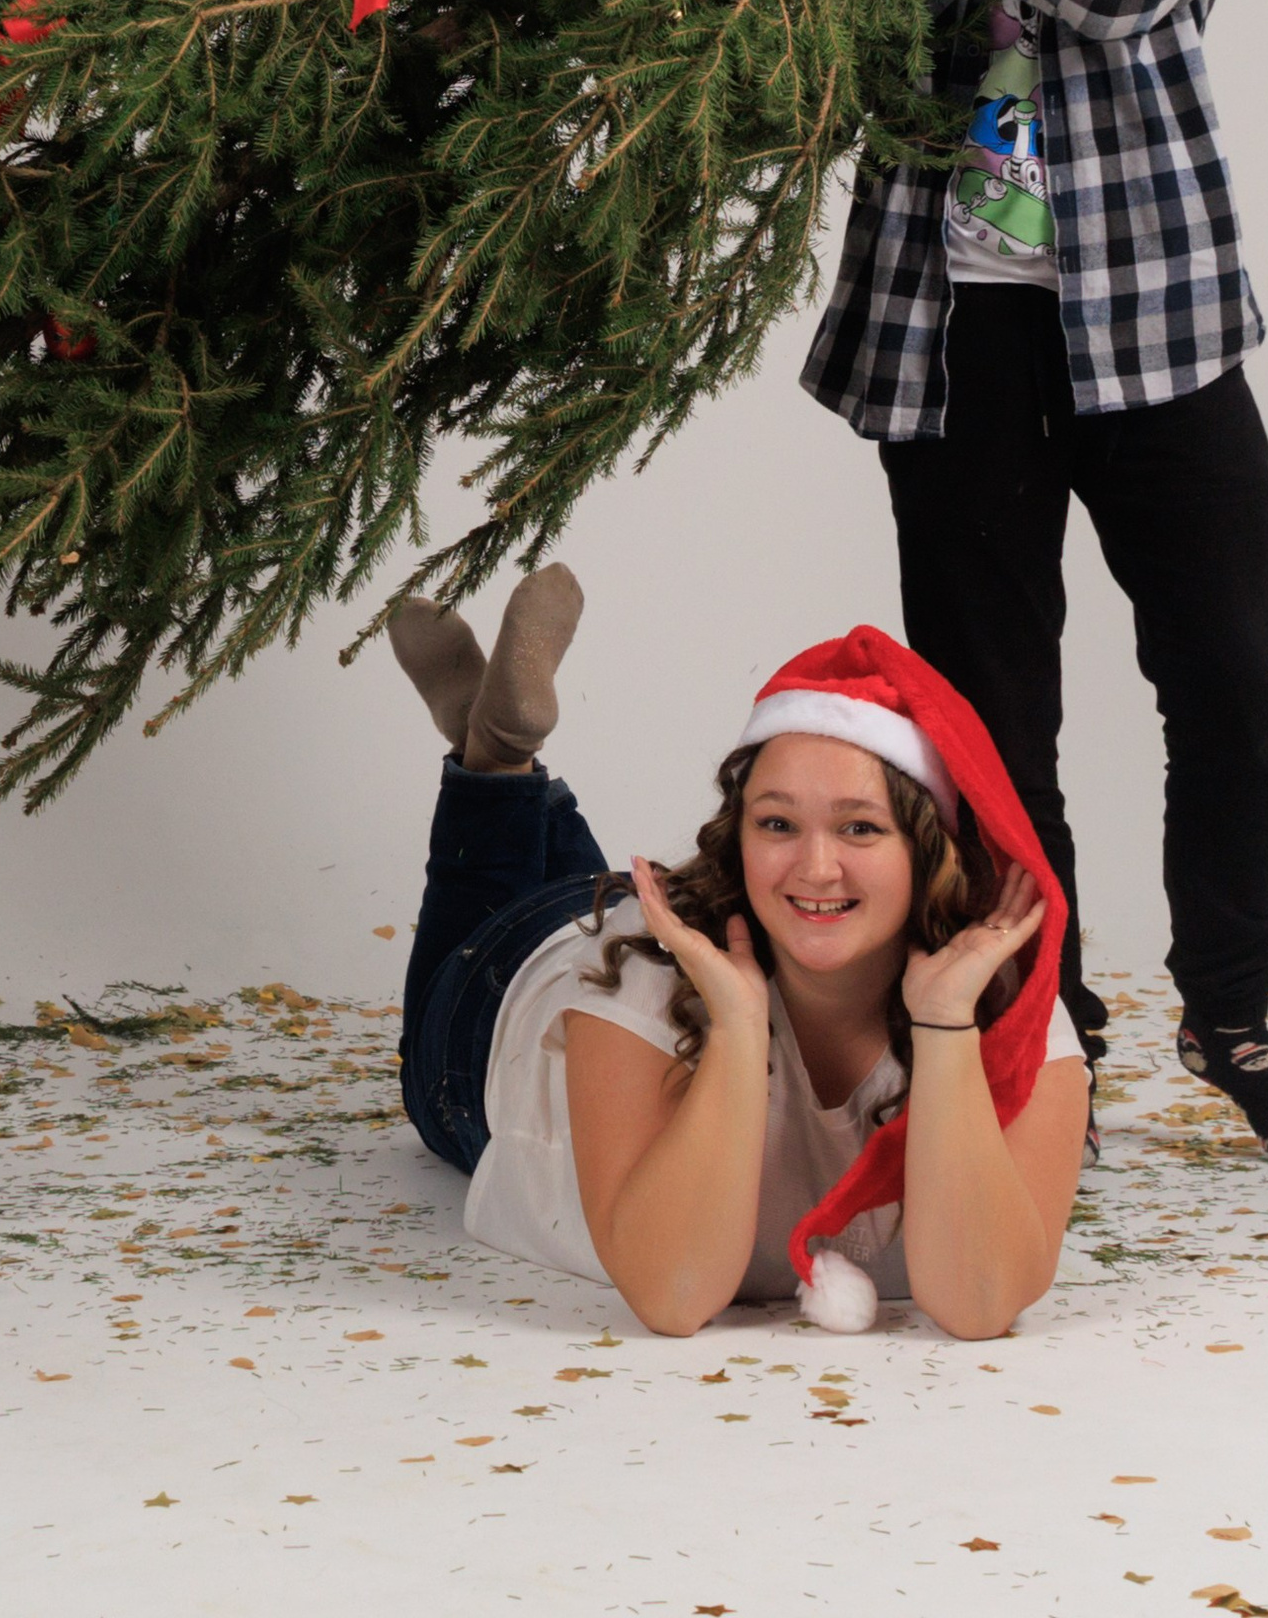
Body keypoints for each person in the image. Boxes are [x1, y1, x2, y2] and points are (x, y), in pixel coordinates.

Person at [801, 0, 1268, 1172]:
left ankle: (1229, 1006)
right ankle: (1049, 1018)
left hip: (1157, 330)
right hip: (955, 344)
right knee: (988, 709)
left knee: (1235, 678)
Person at [386, 570, 1088, 1337]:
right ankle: (494, 765)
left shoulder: (1001, 1005)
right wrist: (738, 1024)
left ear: (929, 850)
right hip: (507, 993)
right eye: (778, 824)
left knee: (600, 889)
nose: (816, 868)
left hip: (664, 908)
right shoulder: (640, 978)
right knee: (485, 951)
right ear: (738, 835)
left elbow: (981, 1304)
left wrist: (946, 1026)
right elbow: (676, 1296)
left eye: (860, 828)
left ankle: (496, 748)